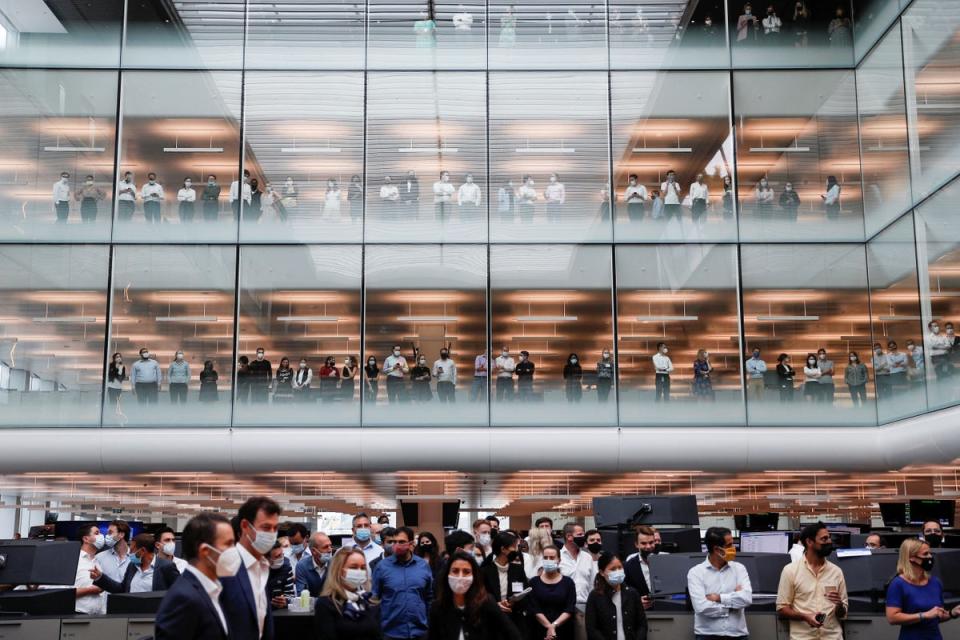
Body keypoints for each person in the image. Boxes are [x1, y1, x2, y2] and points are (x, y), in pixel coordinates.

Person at [154, 512, 234, 640]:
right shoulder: (183, 598)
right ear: (205, 551)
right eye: (228, 544)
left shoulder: (214, 590)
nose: (235, 551)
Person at [221, 496, 281, 640]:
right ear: (245, 526)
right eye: (266, 527)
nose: (272, 534)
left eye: (275, 528)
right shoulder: (223, 566)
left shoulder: (263, 566)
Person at [776, 522, 848, 640]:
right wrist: (805, 616)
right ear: (809, 542)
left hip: (832, 637)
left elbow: (842, 614)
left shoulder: (836, 572)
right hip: (803, 637)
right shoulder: (790, 571)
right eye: (824, 539)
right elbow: (782, 608)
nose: (829, 541)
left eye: (829, 537)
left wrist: (839, 605)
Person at [429, 551, 523, 640]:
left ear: (473, 576)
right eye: (455, 571)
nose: (460, 576)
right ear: (447, 574)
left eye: (466, 572)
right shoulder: (437, 607)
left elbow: (513, 634)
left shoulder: (486, 602)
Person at [886, 538, 959, 639]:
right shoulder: (898, 584)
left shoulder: (935, 582)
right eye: (925, 554)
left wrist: (952, 613)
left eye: (929, 553)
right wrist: (924, 615)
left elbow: (937, 615)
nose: (930, 557)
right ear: (911, 558)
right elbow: (892, 618)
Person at [687, 527, 752, 640]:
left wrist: (719, 598)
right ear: (717, 549)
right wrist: (732, 606)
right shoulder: (696, 573)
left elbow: (746, 599)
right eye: (729, 545)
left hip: (737, 635)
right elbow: (702, 608)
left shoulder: (739, 569)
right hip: (707, 635)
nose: (733, 548)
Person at [372, 526, 434, 640]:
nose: (397, 545)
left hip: (419, 632)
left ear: (411, 544)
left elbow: (429, 597)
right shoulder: (382, 567)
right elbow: (375, 599)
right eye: (394, 542)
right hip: (390, 633)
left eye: (401, 542)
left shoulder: (423, 566)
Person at [315, 547, 381, 640]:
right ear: (339, 570)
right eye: (353, 567)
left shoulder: (367, 601)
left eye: (363, 568)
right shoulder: (326, 603)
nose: (359, 571)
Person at [91, 532, 180, 593]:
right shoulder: (132, 566)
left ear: (143, 551)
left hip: (155, 617)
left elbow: (179, 592)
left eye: (132, 550)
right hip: (132, 616)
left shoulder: (166, 566)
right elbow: (122, 589)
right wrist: (100, 577)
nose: (129, 553)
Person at [585, 552, 647, 640]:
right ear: (602, 572)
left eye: (620, 567)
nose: (618, 571)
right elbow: (592, 629)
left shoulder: (632, 594)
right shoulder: (595, 596)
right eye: (613, 569)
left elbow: (642, 625)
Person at [480, 531, 530, 633]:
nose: (516, 550)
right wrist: (496, 605)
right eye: (514, 547)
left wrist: (513, 602)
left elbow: (525, 594)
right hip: (492, 621)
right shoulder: (485, 571)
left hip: (514, 619)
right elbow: (480, 596)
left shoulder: (518, 569)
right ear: (503, 549)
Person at [530, 545, 577, 640]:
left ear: (559, 560)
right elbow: (534, 608)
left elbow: (570, 608)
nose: (548, 560)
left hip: (563, 629)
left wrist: (554, 625)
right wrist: (549, 626)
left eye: (552, 558)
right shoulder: (533, 582)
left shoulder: (568, 582)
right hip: (539, 629)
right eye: (545, 557)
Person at [72, 524, 106, 614]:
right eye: (97, 533)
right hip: (77, 614)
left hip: (98, 616)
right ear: (86, 539)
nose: (101, 536)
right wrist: (90, 590)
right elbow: (63, 593)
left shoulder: (97, 562)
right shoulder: (73, 560)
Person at [623, 527, 654, 606]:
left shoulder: (664, 563)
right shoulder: (628, 566)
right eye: (643, 543)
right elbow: (623, 593)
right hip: (640, 613)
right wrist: (637, 601)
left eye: (651, 542)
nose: (648, 546)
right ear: (636, 544)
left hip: (666, 612)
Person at [266, 543, 296, 609]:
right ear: (266, 558)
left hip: (280, 611)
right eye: (277, 556)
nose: (281, 558)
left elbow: (290, 595)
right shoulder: (257, 569)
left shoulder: (286, 566)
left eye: (282, 554)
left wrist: (285, 601)